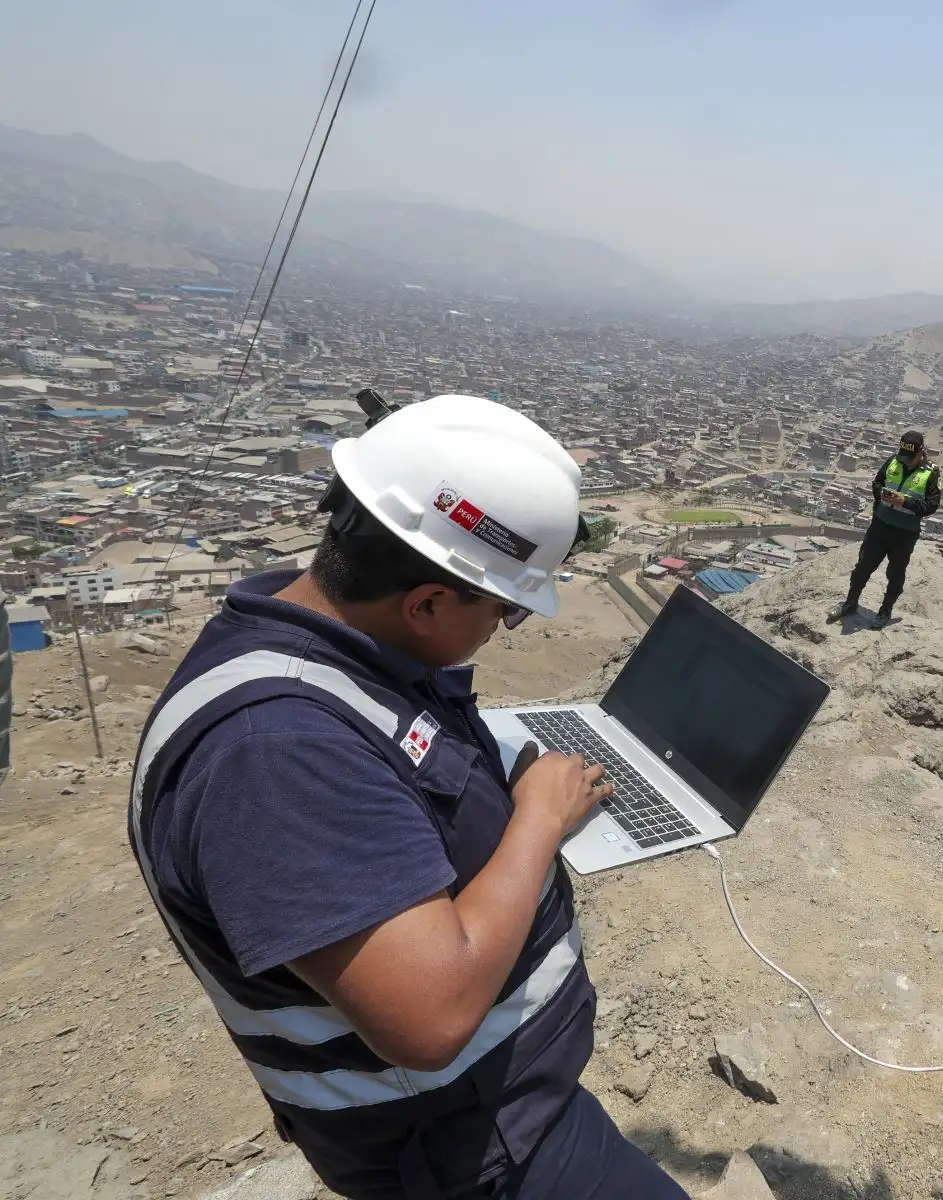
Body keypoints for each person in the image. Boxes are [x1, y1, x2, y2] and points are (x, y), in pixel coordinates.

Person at [128, 394, 689, 1200]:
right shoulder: (278, 755)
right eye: (504, 610)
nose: (501, 628)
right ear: (425, 603)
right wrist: (536, 819)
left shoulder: (334, 646)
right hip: (465, 1150)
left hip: (500, 1112)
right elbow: (427, 1020)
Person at [829, 430, 941, 626]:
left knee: (895, 574)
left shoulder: (931, 473)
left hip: (904, 534)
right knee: (863, 567)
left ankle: (885, 611)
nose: (905, 460)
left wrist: (904, 501)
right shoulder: (893, 462)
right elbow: (877, 484)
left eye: (909, 457)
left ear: (921, 452)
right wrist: (882, 494)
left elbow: (931, 506)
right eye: (902, 455)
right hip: (880, 526)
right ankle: (850, 603)